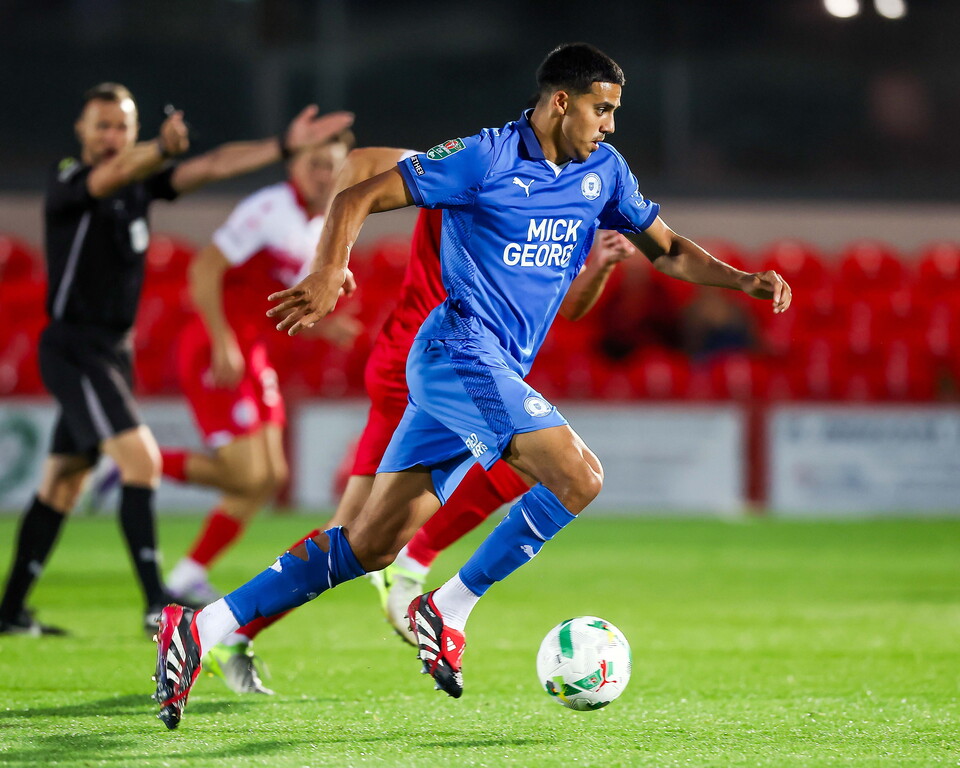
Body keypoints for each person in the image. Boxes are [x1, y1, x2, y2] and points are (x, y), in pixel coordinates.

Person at [153, 43, 791, 729]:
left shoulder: (603, 173)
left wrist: (739, 279)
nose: (609, 126)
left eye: (614, 113)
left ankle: (201, 629)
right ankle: (448, 608)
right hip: (456, 352)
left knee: (370, 544)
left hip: (483, 369)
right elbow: (361, 191)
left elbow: (667, 249)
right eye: (601, 111)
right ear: (560, 102)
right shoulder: (483, 157)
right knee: (578, 477)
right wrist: (327, 269)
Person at [198, 145, 634, 694]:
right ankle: (411, 566)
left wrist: (598, 267)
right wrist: (331, 260)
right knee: (533, 471)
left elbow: (567, 306)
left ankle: (231, 627)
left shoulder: (543, 200)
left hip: (464, 365)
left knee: (372, 530)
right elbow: (358, 167)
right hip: (422, 364)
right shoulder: (468, 162)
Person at [0, 81, 353, 638]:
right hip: (74, 348)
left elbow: (212, 165)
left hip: (114, 353)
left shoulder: (141, 187)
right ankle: (154, 602)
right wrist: (161, 151)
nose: (112, 136)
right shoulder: (70, 178)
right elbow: (110, 178)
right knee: (142, 464)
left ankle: (10, 611)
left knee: (62, 482)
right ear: (82, 133)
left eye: (121, 126)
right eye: (102, 126)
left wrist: (283, 144)